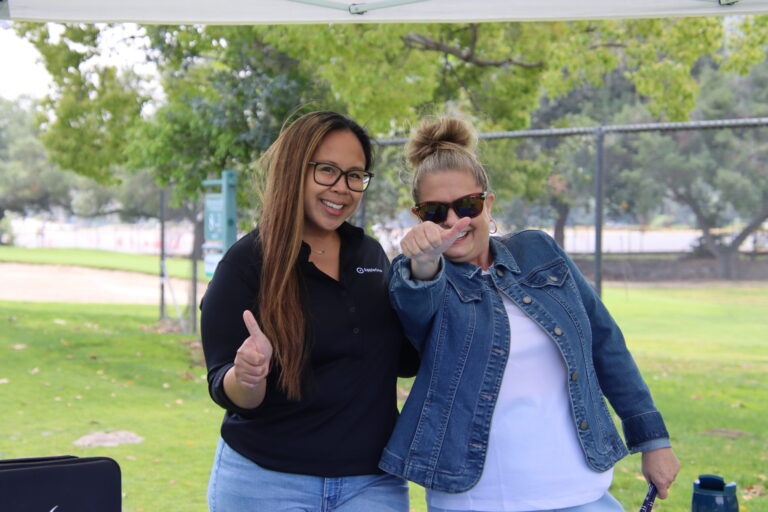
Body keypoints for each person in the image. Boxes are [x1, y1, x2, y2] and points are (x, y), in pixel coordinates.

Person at [378, 117, 680, 512]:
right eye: (435, 212)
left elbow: (606, 343)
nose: (453, 221)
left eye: (467, 205)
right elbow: (415, 320)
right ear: (419, 217)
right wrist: (421, 266)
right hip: (477, 500)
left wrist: (653, 439)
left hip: (583, 493)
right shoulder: (422, 277)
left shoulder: (539, 252)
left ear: (488, 203)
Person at [201, 111, 417, 512]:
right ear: (294, 170)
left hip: (371, 483)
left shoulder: (368, 255)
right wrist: (246, 376)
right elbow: (225, 388)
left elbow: (404, 360)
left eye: (355, 175)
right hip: (266, 483)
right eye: (327, 171)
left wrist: (429, 282)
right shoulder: (245, 265)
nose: (343, 188)